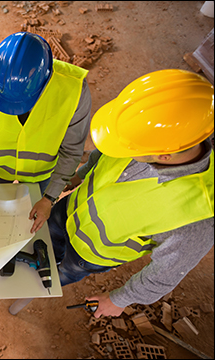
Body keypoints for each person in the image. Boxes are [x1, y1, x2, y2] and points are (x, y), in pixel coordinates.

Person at [47, 69, 214, 318]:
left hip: (89, 253)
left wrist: (119, 299)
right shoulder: (152, 118)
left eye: (129, 147)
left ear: (164, 155)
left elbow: (164, 275)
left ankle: (44, 283)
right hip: (70, 209)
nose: (122, 147)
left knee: (59, 274)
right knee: (44, 235)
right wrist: (82, 174)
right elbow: (107, 152)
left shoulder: (197, 219)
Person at [0, 32, 92, 233]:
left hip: (42, 174)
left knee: (30, 226)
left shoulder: (74, 92)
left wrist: (49, 198)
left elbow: (71, 151)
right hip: (0, 170)